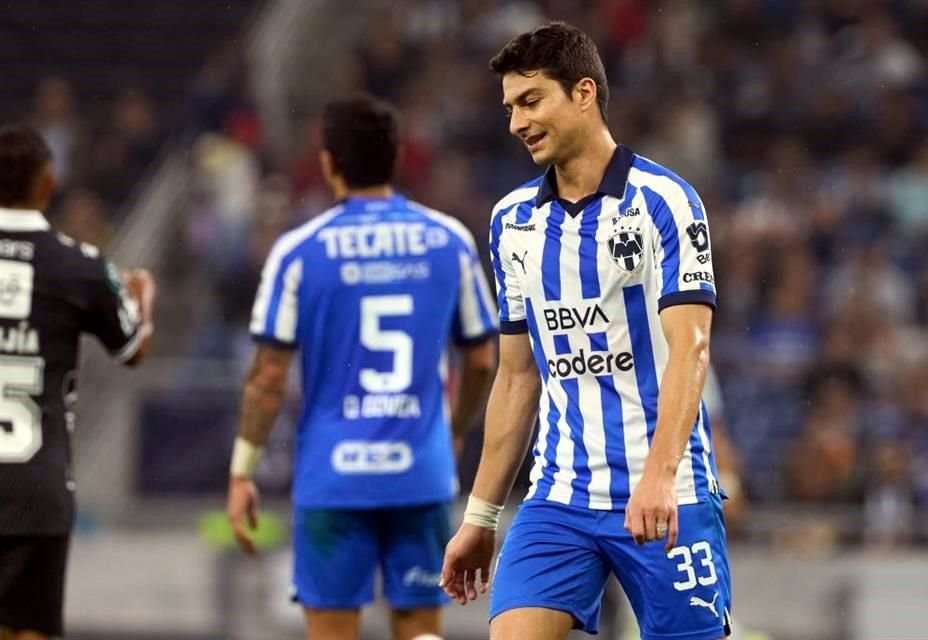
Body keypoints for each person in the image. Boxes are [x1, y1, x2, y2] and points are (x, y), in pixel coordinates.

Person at [439, 22, 732, 640]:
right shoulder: (512, 221)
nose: (517, 122)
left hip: (666, 490)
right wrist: (481, 516)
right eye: (510, 108)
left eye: (530, 101)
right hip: (560, 497)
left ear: (583, 93)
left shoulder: (664, 202)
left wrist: (659, 475)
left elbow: (691, 347)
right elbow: (516, 377)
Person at [225, 95, 497, 640]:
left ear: (329, 163)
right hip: (420, 473)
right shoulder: (449, 240)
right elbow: (483, 360)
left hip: (333, 479)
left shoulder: (299, 251)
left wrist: (242, 472)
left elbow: (268, 378)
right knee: (421, 630)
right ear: (396, 158)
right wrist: (454, 427)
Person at [0, 124, 155, 640]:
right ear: (48, 184)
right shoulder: (79, 266)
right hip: (36, 490)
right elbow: (131, 349)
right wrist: (143, 297)